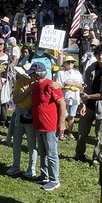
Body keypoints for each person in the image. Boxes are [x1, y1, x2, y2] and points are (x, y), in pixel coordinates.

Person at [73, 45, 102, 163]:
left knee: (100, 135)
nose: (100, 56)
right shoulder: (91, 68)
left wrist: (89, 97)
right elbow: (85, 87)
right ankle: (79, 155)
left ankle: (96, 158)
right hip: (88, 106)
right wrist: (84, 103)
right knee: (82, 132)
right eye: (98, 54)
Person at [30, 62, 65, 191]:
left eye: (33, 74)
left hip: (50, 125)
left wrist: (61, 123)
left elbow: (62, 103)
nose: (31, 77)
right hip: (39, 125)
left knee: (51, 153)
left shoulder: (50, 85)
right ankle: (45, 176)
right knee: (43, 152)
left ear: (38, 74)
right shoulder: (35, 86)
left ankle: (54, 180)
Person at [56, 55, 83, 140]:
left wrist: (73, 84)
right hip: (65, 97)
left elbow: (82, 85)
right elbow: (58, 85)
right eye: (68, 62)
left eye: (72, 62)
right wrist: (66, 85)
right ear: (64, 64)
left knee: (72, 115)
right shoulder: (60, 73)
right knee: (63, 115)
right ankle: (61, 132)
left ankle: (70, 132)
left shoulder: (77, 73)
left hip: (75, 97)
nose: (70, 64)